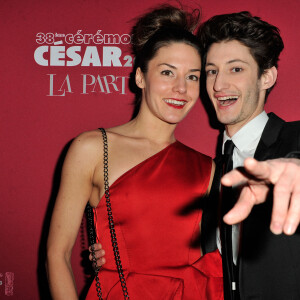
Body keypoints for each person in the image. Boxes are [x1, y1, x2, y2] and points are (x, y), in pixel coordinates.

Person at [46, 5, 225, 300]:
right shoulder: (93, 148)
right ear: (140, 78)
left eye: (192, 77)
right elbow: (57, 255)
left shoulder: (208, 168)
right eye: (167, 72)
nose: (181, 88)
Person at [198, 11, 300, 300]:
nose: (218, 85)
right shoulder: (208, 170)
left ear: (266, 76)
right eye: (211, 70)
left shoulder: (296, 140)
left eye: (236, 69)